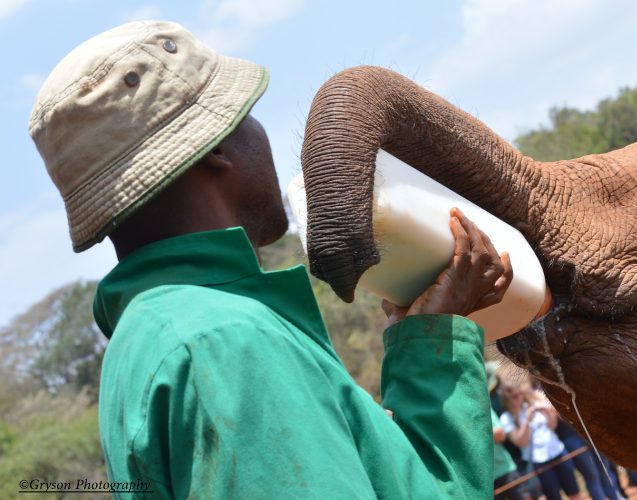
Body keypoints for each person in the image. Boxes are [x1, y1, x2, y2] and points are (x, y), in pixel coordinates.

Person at [28, 20, 512, 498]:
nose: (263, 134)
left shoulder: (152, 337)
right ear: (217, 148)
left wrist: (426, 342)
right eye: (247, 115)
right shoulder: (224, 343)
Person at [500, 377, 581, 500]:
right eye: (514, 396)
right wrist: (527, 421)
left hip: (558, 452)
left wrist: (548, 413)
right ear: (507, 400)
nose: (519, 398)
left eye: (520, 393)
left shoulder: (532, 403)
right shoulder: (507, 418)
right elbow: (521, 442)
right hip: (539, 462)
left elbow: (553, 426)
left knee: (574, 493)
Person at [487, 363, 532, 500]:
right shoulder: (497, 400)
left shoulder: (497, 399)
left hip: (510, 455)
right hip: (513, 453)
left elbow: (500, 434)